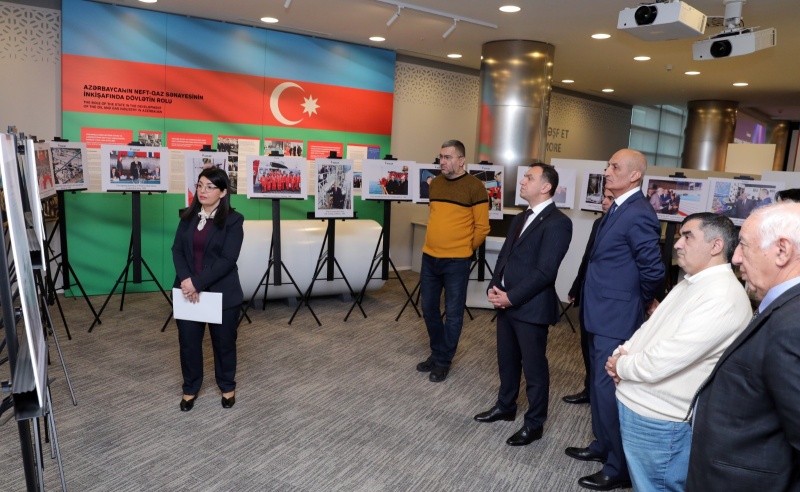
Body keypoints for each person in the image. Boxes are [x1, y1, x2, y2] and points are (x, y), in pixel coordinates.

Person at [605, 213, 751, 492]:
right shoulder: (692, 282)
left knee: (656, 486)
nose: (677, 244)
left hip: (661, 419)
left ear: (716, 245)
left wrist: (621, 366)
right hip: (644, 407)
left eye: (688, 236)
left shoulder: (721, 296)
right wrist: (621, 354)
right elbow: (650, 329)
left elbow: (667, 357)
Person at [565, 149, 664, 491]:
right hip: (600, 310)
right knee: (597, 385)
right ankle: (603, 445)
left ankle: (618, 467)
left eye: (614, 166)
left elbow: (653, 270)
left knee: (608, 390)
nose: (607, 171)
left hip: (616, 315)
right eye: (607, 165)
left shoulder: (639, 213)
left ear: (635, 175)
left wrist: (641, 302)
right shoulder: (619, 207)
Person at [686, 202, 800, 491]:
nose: (735, 257)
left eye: (744, 246)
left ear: (782, 250)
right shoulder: (784, 307)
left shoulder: (792, 325)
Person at [473, 163, 572, 446]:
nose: (522, 181)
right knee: (506, 360)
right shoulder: (520, 217)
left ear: (546, 187)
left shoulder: (558, 222)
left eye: (529, 177)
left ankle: (534, 423)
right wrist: (495, 286)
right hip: (506, 302)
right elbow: (504, 257)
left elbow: (545, 271)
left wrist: (512, 297)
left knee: (534, 368)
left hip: (531, 307)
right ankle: (505, 407)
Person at [416, 139, 490, 383]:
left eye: (448, 157)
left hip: (456, 261)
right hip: (430, 257)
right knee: (429, 308)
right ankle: (437, 352)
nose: (442, 162)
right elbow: (437, 217)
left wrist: (465, 249)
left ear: (461, 160)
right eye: (441, 157)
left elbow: (482, 227)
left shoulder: (475, 187)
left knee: (454, 313)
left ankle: (443, 361)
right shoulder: (436, 183)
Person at [172, 168, 244, 412]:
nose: (203, 191)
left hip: (221, 293)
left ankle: (227, 386)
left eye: (210, 187)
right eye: (200, 185)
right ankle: (190, 388)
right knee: (189, 344)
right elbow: (177, 251)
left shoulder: (234, 220)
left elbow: (227, 259)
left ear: (223, 192)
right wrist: (187, 282)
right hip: (187, 292)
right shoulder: (187, 216)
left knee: (224, 344)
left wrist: (197, 283)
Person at [562, 187, 615, 405]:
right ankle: (589, 389)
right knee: (586, 345)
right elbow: (588, 258)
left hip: (608, 300)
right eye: (604, 197)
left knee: (604, 351)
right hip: (587, 292)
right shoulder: (598, 223)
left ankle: (602, 395)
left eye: (610, 198)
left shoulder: (626, 224)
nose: (604, 202)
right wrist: (576, 286)